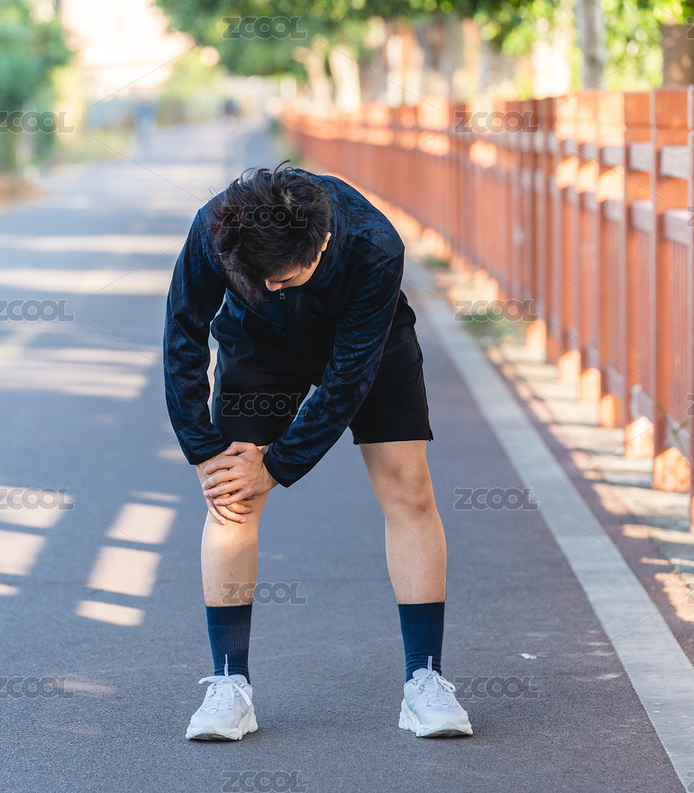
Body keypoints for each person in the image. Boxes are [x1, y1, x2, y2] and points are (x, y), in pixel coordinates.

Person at [163, 162, 472, 741]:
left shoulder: (375, 244)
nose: (272, 290)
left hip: (365, 344)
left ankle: (424, 680)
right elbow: (183, 331)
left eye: (284, 280)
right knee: (230, 497)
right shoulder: (216, 230)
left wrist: (277, 466)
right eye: (259, 281)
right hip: (258, 346)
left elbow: (346, 381)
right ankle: (229, 684)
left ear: (323, 243)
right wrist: (205, 452)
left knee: (409, 485)